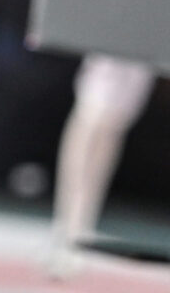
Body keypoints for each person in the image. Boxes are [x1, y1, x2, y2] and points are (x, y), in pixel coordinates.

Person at [47, 53, 157, 277]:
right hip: (113, 43)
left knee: (114, 122)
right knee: (93, 114)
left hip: (146, 45)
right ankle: (68, 224)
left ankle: (82, 224)